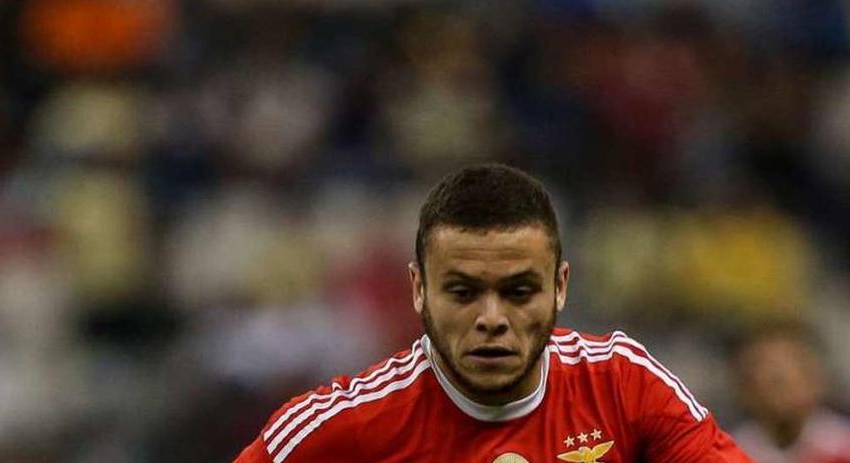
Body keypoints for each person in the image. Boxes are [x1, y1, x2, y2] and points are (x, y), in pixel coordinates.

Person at [233, 164, 752, 463]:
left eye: (519, 291)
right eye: (462, 292)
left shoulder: (622, 383)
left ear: (560, 286)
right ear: (418, 289)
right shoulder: (343, 427)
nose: (491, 318)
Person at [730, 321, 850, 463]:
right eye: (773, 382)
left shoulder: (841, 446)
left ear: (816, 380)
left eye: (785, 379)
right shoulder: (733, 452)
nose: (781, 395)